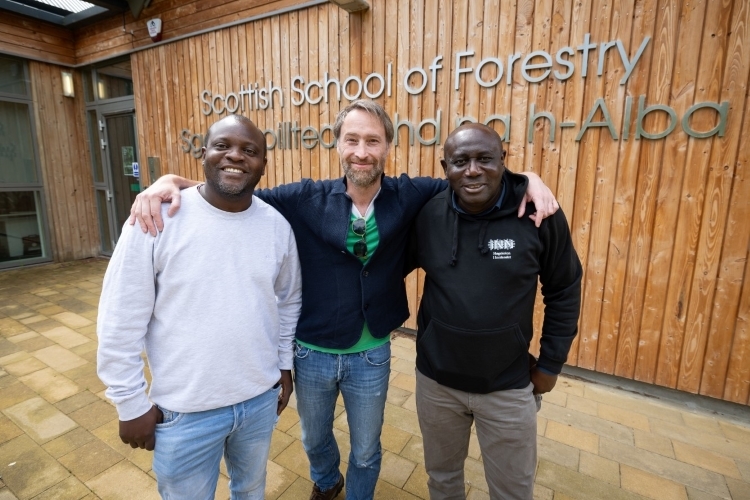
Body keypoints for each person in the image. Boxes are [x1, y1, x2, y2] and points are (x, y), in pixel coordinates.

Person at [129, 100, 559, 500]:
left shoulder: (414, 194)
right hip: (312, 349)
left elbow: (477, 177)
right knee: (314, 438)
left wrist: (529, 181)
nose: (362, 151)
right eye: (352, 139)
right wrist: (171, 182)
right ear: (338, 145)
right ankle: (327, 479)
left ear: (388, 146)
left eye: (372, 140)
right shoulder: (303, 199)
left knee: (368, 448)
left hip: (371, 353)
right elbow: (234, 189)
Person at [97, 115, 302, 499]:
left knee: (251, 490)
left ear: (263, 165)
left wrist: (283, 365)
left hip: (258, 401)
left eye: (250, 150)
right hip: (184, 412)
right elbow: (119, 319)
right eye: (223, 145)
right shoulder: (156, 220)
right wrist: (129, 402)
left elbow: (288, 300)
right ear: (203, 153)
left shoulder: (276, 226)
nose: (236, 156)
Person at [405, 123, 582, 500]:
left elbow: (564, 289)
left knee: (513, 491)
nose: (472, 170)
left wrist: (551, 365)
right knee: (442, 480)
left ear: (505, 161)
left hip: (508, 387)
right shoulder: (428, 215)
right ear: (445, 167)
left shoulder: (538, 215)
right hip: (437, 385)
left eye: (485, 159)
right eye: (460, 161)